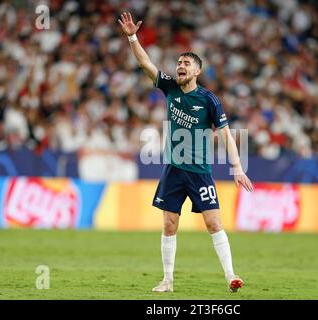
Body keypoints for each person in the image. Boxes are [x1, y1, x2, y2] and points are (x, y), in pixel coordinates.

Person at [119, 12, 253, 293]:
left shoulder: (208, 100)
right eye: (179, 62)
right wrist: (132, 37)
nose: (180, 66)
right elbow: (144, 63)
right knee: (169, 224)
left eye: (186, 63)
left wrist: (238, 167)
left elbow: (226, 134)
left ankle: (231, 276)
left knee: (214, 222)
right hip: (173, 169)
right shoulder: (169, 87)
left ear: (197, 71)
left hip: (200, 172)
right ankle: (168, 280)